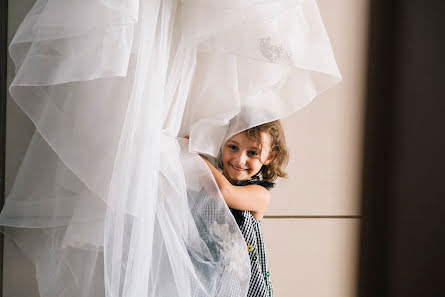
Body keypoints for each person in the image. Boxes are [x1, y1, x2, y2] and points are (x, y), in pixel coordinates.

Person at [198, 120, 289, 297]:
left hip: (242, 285)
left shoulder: (260, 195)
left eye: (253, 152)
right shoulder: (204, 185)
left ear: (270, 156)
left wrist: (194, 156)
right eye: (232, 147)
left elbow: (225, 192)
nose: (240, 159)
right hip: (206, 280)